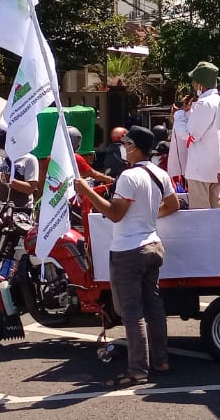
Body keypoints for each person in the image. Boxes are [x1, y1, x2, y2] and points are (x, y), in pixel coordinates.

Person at [73, 126, 181, 387]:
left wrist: (86, 191)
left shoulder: (128, 176)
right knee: (154, 308)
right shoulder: (159, 173)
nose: (124, 147)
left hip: (129, 250)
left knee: (132, 313)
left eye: (127, 143)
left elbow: (115, 214)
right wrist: (149, 217)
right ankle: (160, 360)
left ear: (134, 147)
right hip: (152, 245)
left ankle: (138, 370)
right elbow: (173, 205)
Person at [181, 62, 220, 208]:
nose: (193, 84)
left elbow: (191, 135)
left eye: (194, 81)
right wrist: (189, 113)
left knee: (200, 214)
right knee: (216, 211)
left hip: (200, 169)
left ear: (200, 83)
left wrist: (180, 116)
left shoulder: (204, 104)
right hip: (217, 167)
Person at [0, 130, 38, 209]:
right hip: (0, 209)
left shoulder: (29, 159)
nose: (1, 150)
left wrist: (3, 177)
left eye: (4, 147)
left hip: (21, 210)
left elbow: (30, 188)